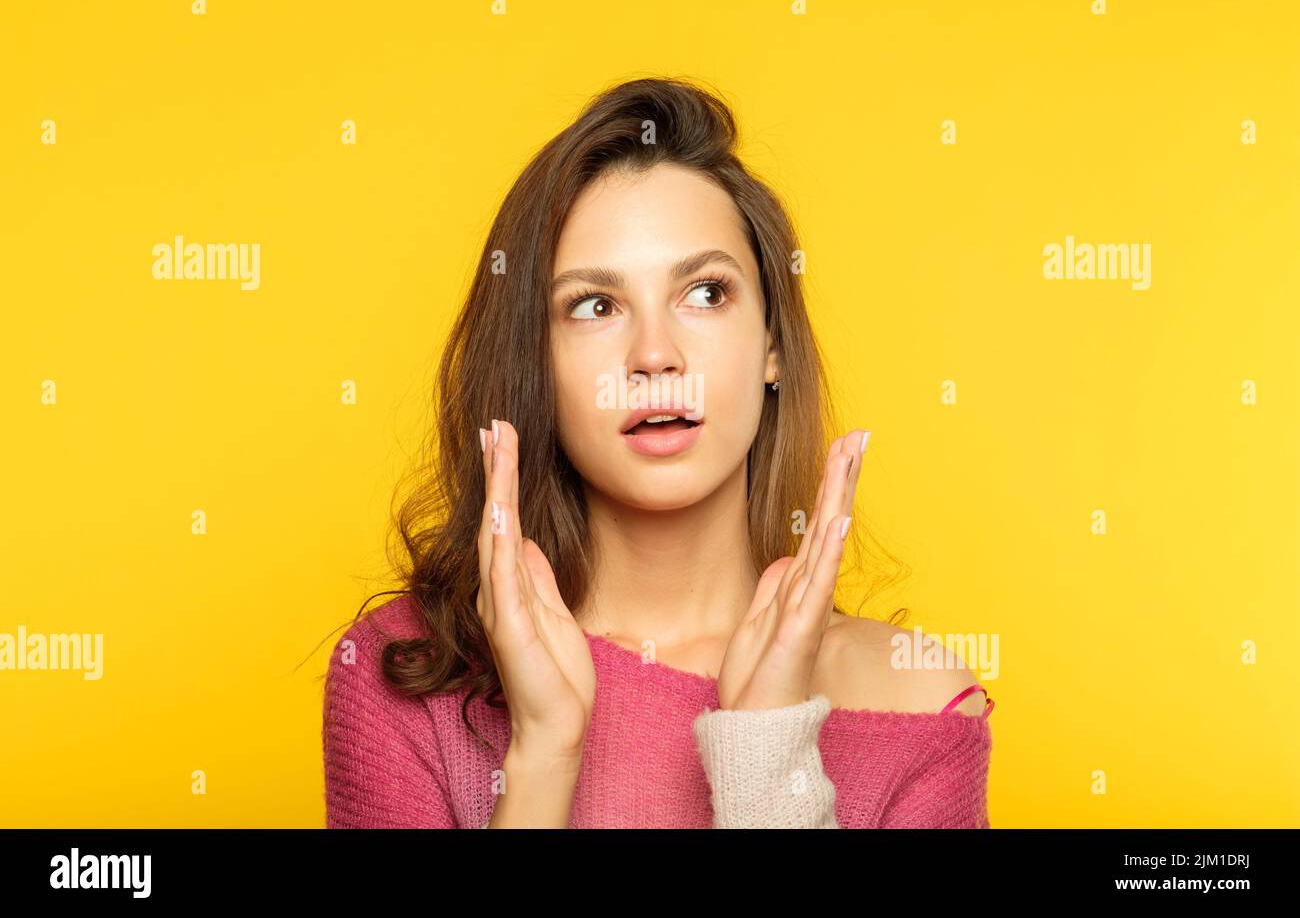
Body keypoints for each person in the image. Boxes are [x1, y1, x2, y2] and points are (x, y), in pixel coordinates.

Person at [322, 76, 994, 828]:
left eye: (705, 293)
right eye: (595, 305)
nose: (654, 354)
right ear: (534, 366)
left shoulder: (918, 702)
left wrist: (769, 756)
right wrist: (543, 756)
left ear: (773, 345)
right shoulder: (400, 675)